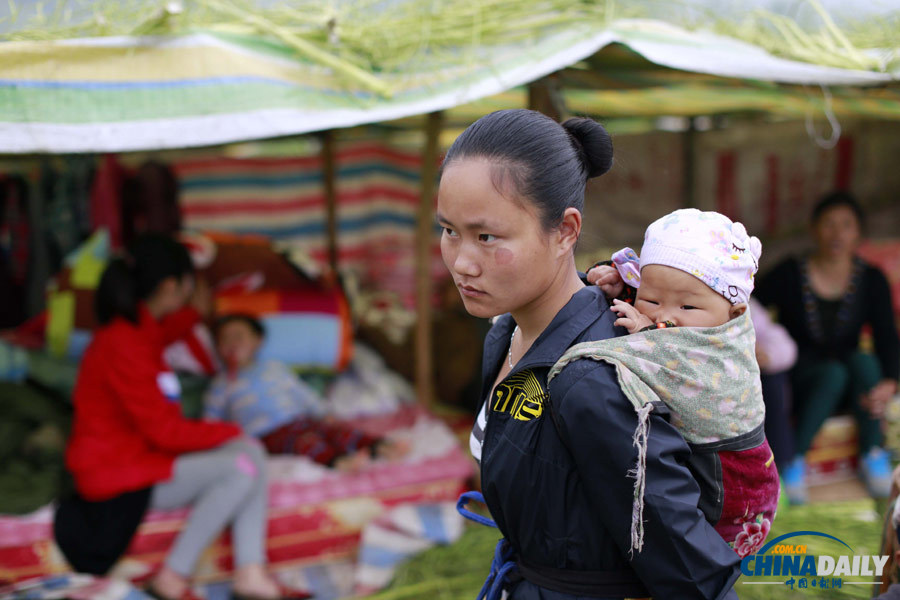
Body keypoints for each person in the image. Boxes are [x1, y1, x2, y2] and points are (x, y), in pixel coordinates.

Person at [441, 109, 740, 600]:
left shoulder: (595, 379)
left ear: (565, 231)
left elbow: (694, 573)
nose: (462, 262)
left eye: (487, 236)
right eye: (449, 230)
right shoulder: (504, 335)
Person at [56, 235, 306, 600]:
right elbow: (166, 433)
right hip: (120, 479)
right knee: (241, 465)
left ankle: (251, 574)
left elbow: (160, 336)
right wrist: (229, 430)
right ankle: (173, 577)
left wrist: (196, 313)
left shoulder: (138, 329)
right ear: (172, 286)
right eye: (189, 286)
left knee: (249, 453)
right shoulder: (124, 345)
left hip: (138, 461)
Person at [570, 209, 779, 556]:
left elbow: (679, 358)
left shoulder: (722, 346)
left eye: (687, 306)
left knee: (699, 557)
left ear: (735, 313)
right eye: (651, 299)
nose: (666, 315)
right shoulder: (693, 310)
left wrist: (649, 333)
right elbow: (657, 291)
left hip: (730, 481)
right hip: (697, 465)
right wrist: (619, 282)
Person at [755, 192, 900, 502]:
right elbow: (747, 306)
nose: (837, 234)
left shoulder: (872, 279)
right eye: (829, 224)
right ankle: (794, 459)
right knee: (833, 373)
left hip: (853, 381)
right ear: (813, 229)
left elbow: (886, 335)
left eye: (846, 225)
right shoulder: (790, 273)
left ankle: (872, 452)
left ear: (858, 233)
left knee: (866, 364)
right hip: (804, 376)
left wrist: (891, 381)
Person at [205, 314, 405, 471]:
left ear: (257, 341)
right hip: (266, 434)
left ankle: (378, 446)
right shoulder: (221, 384)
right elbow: (211, 421)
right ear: (218, 348)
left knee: (335, 430)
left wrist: (323, 412)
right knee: (306, 442)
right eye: (225, 339)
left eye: (239, 336)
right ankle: (337, 462)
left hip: (298, 420)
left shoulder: (273, 368)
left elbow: (301, 393)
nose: (233, 343)